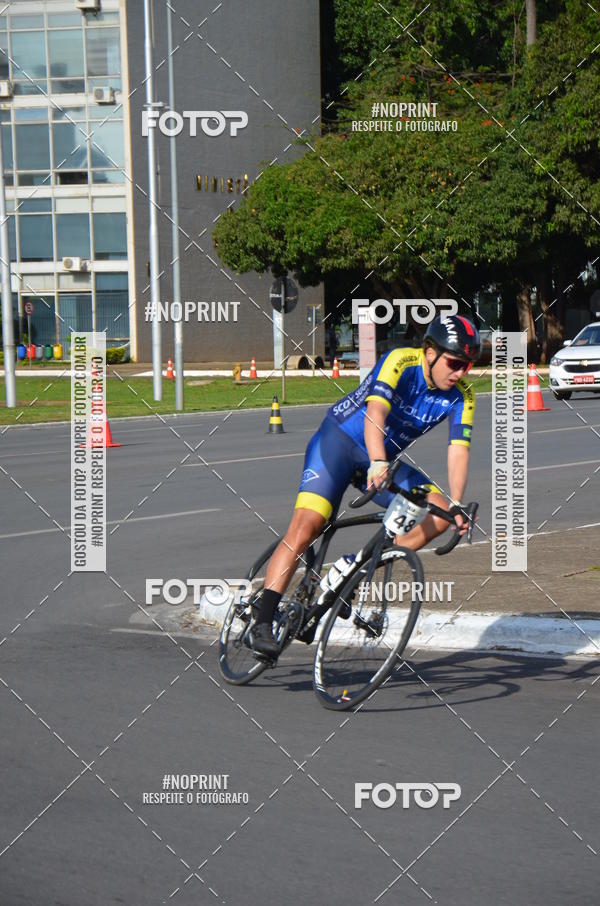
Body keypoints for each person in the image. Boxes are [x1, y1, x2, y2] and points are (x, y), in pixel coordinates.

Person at [249, 314, 480, 656]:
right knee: (307, 526)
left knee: (442, 512)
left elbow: (459, 450)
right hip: (339, 444)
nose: (461, 373)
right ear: (430, 352)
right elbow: (375, 414)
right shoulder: (401, 361)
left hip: (380, 460)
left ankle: (352, 570)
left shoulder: (463, 396)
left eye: (468, 365)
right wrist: (377, 461)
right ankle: (263, 619)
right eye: (455, 363)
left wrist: (458, 502)